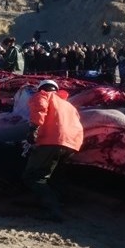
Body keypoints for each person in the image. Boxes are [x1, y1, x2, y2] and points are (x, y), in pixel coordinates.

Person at [23, 80, 84, 222]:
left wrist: (33, 129)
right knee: (55, 175)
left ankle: (52, 210)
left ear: (41, 89)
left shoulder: (43, 95)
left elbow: (39, 108)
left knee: (33, 176)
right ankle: (52, 202)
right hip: (72, 143)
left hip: (52, 140)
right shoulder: (69, 105)